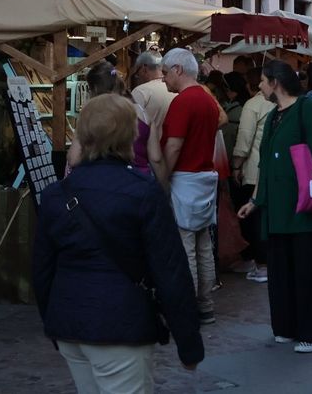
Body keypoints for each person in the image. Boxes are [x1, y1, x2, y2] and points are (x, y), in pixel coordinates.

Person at [34, 95, 203, 391]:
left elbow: (42, 269)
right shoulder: (143, 192)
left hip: (71, 321)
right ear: (129, 134)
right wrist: (189, 344)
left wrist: (53, 320)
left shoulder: (56, 194)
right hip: (120, 322)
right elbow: (171, 271)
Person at [236, 61, 312, 353]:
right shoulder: (273, 117)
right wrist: (255, 200)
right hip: (279, 210)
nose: (259, 86)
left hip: (306, 207)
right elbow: (265, 162)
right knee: (283, 269)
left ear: (276, 83)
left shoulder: (308, 109)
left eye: (262, 81)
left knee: (310, 269)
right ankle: (287, 325)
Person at [159, 48, 221, 324]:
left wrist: (162, 178)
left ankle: (188, 310)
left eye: (165, 73)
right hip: (205, 178)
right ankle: (205, 305)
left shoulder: (183, 102)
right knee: (203, 245)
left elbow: (173, 146)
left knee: (186, 248)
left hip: (184, 179)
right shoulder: (208, 101)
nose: (163, 79)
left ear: (178, 70)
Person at [230, 67, 271, 284]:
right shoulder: (281, 104)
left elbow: (244, 141)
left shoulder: (253, 105)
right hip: (272, 171)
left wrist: (236, 165)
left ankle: (262, 265)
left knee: (256, 220)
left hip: (254, 170)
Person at [131, 51, 175, 181]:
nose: (137, 75)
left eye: (137, 71)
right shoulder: (175, 90)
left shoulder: (141, 91)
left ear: (144, 68)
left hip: (148, 157)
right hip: (172, 155)